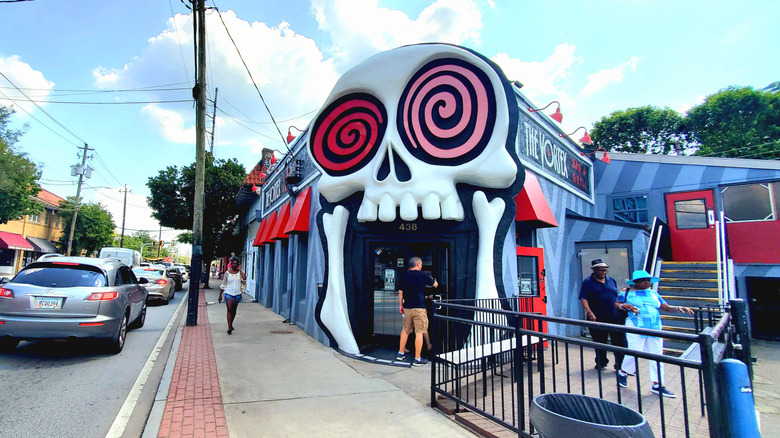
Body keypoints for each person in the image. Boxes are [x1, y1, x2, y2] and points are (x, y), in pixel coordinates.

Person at [616, 270, 694, 397]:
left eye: (649, 280)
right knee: (635, 350)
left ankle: (657, 384)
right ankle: (623, 372)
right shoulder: (626, 292)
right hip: (636, 323)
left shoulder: (653, 293)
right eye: (645, 280)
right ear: (637, 282)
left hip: (654, 325)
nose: (648, 283)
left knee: (657, 354)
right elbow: (617, 304)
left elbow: (665, 307)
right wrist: (625, 306)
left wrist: (678, 308)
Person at [579, 259, 626, 372]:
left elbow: (616, 296)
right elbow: (583, 298)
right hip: (597, 317)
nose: (604, 272)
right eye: (601, 270)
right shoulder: (587, 282)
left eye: (605, 270)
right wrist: (589, 311)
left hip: (614, 317)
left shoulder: (611, 280)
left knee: (618, 342)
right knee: (600, 342)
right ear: (594, 270)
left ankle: (620, 365)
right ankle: (601, 362)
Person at [397, 256, 438, 366]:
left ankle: (400, 354)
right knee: (419, 331)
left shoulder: (403, 276)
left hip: (407, 307)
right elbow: (435, 284)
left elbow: (400, 292)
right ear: (418, 264)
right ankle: (417, 358)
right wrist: (434, 280)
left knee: (405, 330)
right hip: (419, 307)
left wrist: (401, 305)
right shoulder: (422, 275)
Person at [219, 257, 246, 335]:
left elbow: (244, 278)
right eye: (233, 263)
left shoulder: (240, 273)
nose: (234, 265)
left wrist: (240, 270)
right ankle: (229, 327)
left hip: (237, 293)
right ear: (231, 264)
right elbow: (223, 284)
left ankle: (231, 323)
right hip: (228, 293)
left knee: (234, 310)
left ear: (238, 264)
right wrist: (220, 295)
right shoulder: (227, 273)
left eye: (236, 263)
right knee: (229, 310)